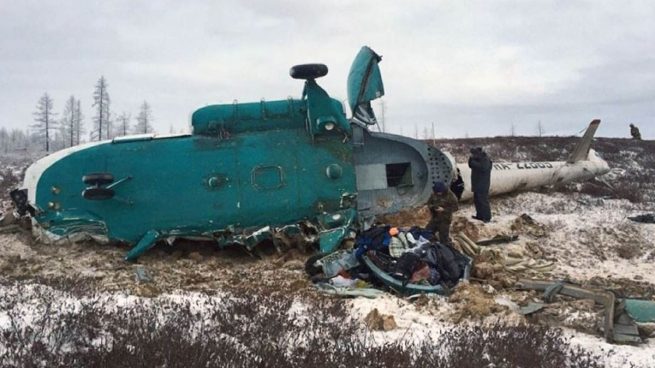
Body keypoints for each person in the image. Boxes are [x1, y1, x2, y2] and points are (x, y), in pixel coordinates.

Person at [468, 147, 492, 222]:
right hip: (476, 184)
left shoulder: (485, 159)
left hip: (483, 185)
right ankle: (480, 216)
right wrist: (470, 159)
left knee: (483, 201)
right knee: (477, 201)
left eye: (474, 154)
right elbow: (470, 165)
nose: (473, 155)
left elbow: (483, 167)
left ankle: (487, 217)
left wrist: (473, 161)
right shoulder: (477, 159)